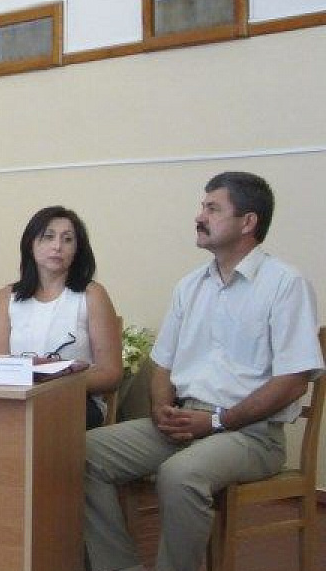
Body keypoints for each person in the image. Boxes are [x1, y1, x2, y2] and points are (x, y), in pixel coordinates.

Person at [84, 172, 324, 571]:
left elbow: (294, 381)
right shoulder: (190, 286)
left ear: (248, 222)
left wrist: (217, 421)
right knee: (83, 453)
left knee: (179, 475)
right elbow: (163, 365)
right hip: (184, 421)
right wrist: (162, 408)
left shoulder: (286, 284)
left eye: (212, 208)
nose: (200, 216)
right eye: (202, 207)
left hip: (251, 435)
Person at [0, 206, 122, 429]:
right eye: (48, 237)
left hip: (76, 400)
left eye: (67, 240)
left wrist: (54, 383)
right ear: (30, 244)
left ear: (77, 249)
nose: (57, 246)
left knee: (37, 421)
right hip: (17, 399)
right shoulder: (6, 297)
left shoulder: (92, 295)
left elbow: (111, 374)